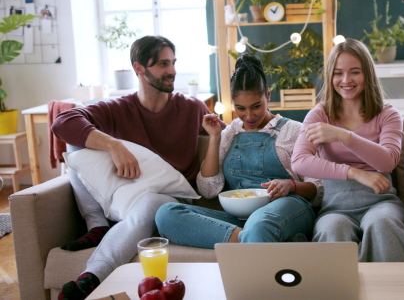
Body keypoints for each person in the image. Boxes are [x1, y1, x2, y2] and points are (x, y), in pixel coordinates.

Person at [52, 35, 223, 299]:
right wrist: (113, 145)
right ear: (139, 69)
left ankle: (89, 279)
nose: (172, 71)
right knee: (77, 143)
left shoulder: (192, 108)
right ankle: (96, 224)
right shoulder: (118, 108)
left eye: (173, 63)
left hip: (165, 198)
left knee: (148, 204)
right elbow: (63, 122)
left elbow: (229, 137)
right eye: (163, 64)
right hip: (122, 194)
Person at [155, 54, 322, 247]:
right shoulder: (229, 134)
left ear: (268, 95)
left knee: (260, 224)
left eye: (256, 106)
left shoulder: (294, 130)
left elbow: (318, 189)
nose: (249, 116)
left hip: (287, 208)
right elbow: (208, 190)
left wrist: (291, 185)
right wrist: (215, 137)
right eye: (240, 108)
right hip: (241, 219)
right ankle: (254, 239)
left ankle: (257, 236)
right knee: (166, 214)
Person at [291, 38, 404, 262]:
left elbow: (388, 161)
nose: (346, 80)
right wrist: (353, 172)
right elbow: (300, 161)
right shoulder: (319, 114)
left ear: (367, 74)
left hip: (381, 202)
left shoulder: (388, 115)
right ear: (331, 76)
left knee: (381, 223)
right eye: (338, 73)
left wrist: (345, 136)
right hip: (335, 207)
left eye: (355, 72)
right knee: (333, 229)